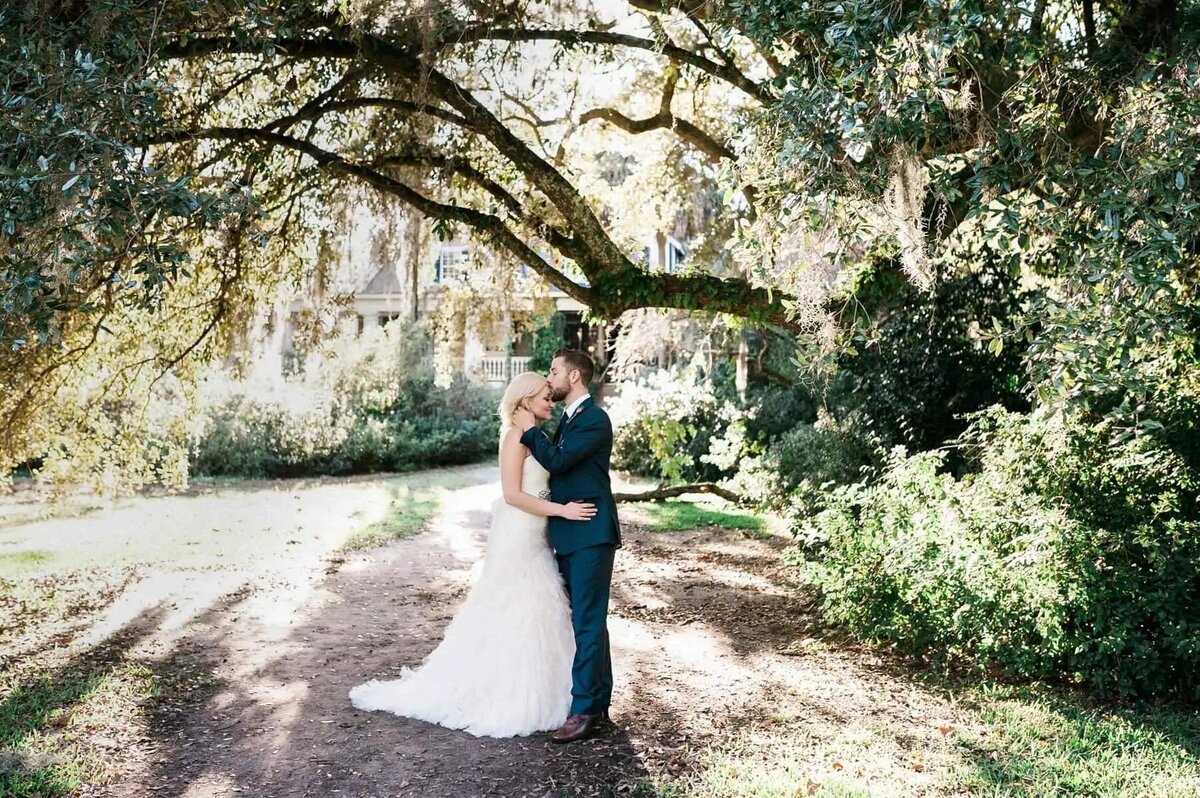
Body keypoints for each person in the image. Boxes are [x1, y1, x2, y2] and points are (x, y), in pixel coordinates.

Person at [348, 372, 596, 737]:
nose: (550, 401)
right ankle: (504, 690)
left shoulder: (536, 435)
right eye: (545, 396)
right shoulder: (515, 436)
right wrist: (562, 510)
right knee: (515, 604)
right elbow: (512, 494)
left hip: (537, 533)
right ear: (525, 400)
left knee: (537, 607)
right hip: (518, 534)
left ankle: (551, 690)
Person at [514, 349, 621, 744]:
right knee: (588, 622)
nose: (550, 377)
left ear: (574, 376)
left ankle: (582, 711)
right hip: (570, 533)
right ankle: (599, 704)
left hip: (591, 533)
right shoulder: (569, 420)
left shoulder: (595, 419)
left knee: (588, 623)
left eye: (555, 371)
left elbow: (558, 463)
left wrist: (529, 431)